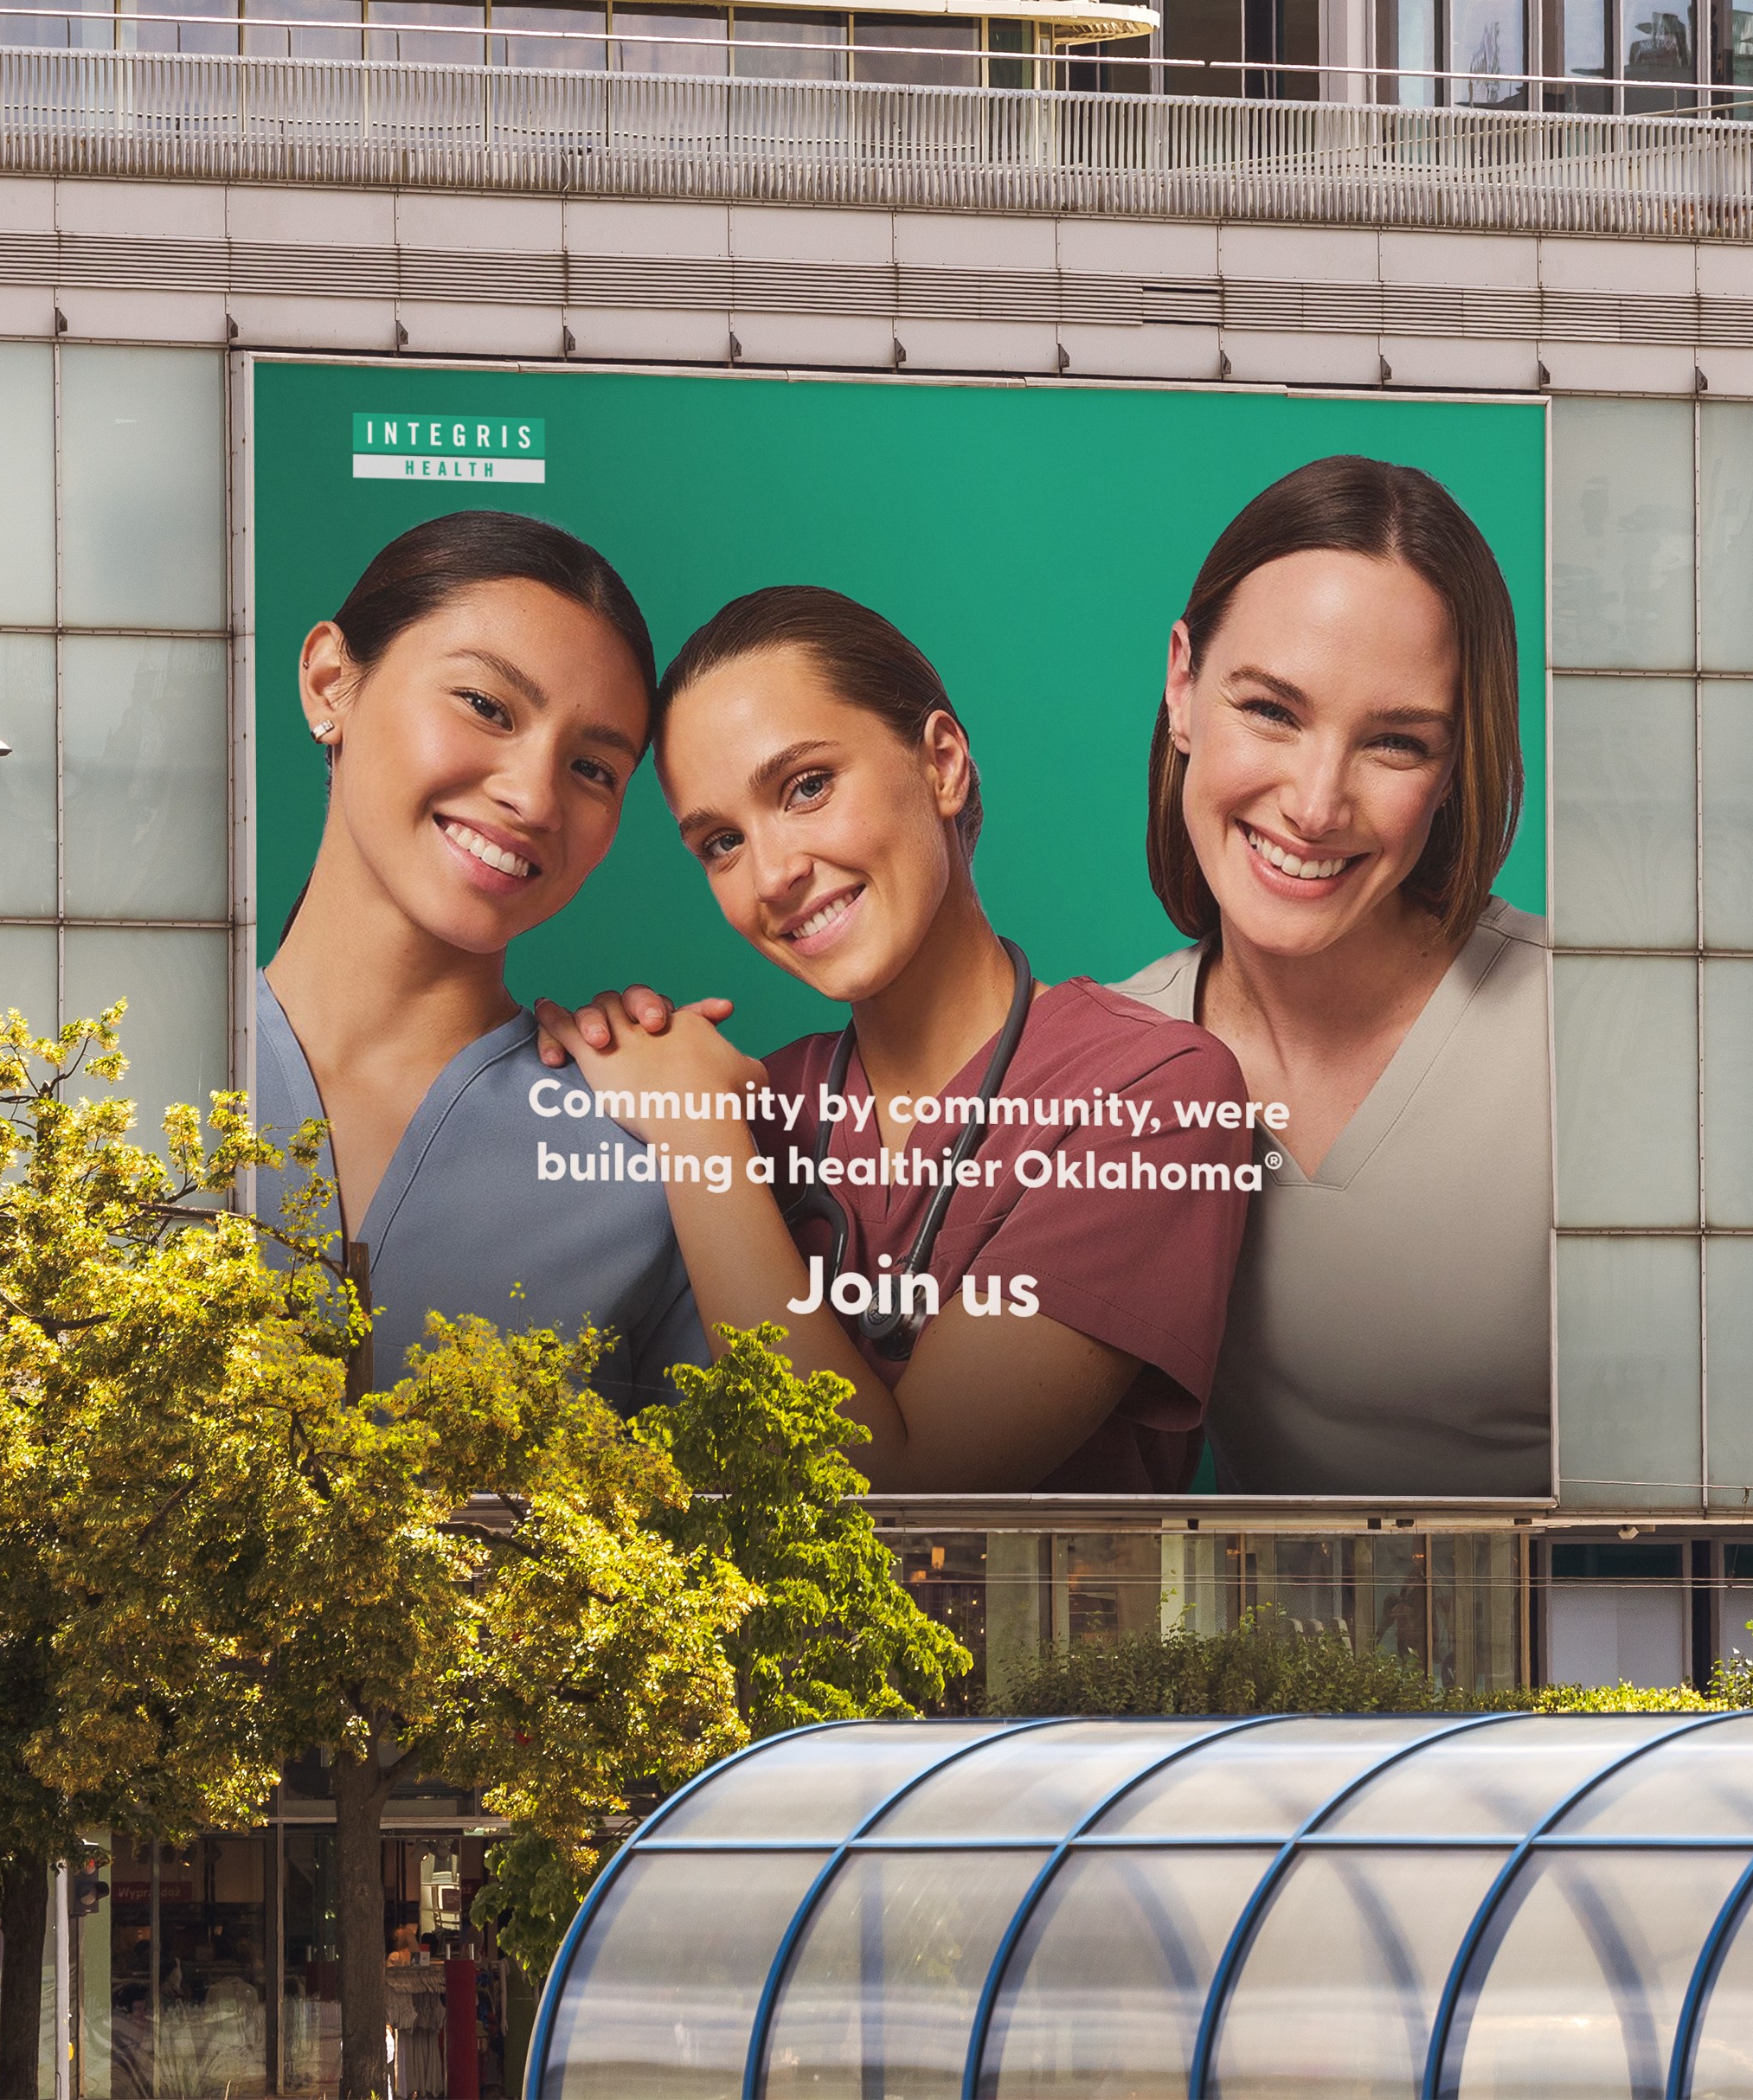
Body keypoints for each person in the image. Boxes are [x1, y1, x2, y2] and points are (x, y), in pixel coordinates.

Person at [536, 586, 1254, 1493]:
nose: (774, 875)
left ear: (944, 764)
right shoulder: (762, 1101)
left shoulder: (1154, 1093)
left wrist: (696, 1137)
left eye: (807, 787)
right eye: (720, 843)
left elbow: (902, 1494)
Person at [1117, 454, 1551, 1500]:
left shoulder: (1603, 1030)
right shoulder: (1105, 1066)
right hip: (1282, 1659)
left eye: (1395, 743)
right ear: (1183, 688)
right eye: (1271, 709)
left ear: (1452, 771)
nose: (1316, 805)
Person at [257, 511, 703, 1408]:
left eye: (593, 770)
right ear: (330, 681)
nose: (534, 797)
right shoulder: (90, 1086)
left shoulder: (651, 1161)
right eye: (487, 707)